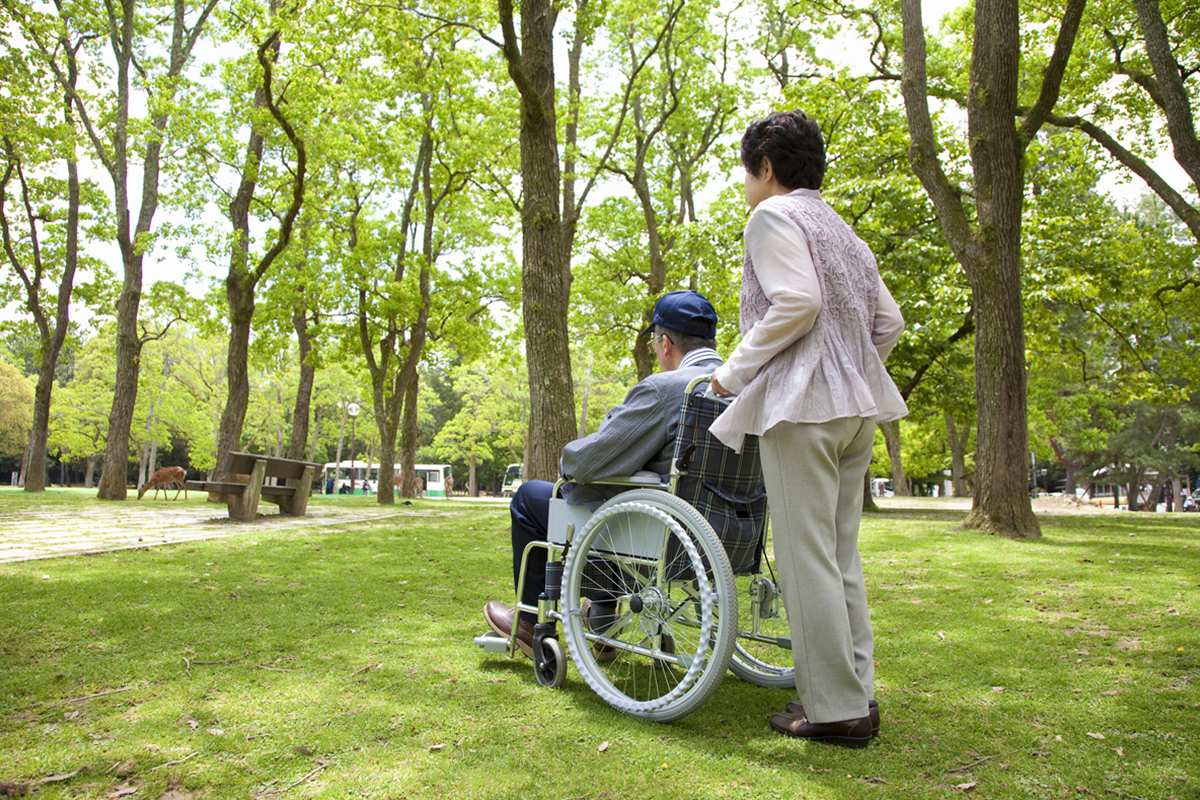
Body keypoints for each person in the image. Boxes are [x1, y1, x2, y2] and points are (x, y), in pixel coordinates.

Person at [708, 111, 907, 748]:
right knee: (839, 557)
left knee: (805, 560)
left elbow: (797, 301)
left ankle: (834, 711)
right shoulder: (843, 232)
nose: (746, 183)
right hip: (856, 411)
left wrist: (733, 374)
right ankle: (856, 694)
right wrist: (850, 368)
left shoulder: (772, 216)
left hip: (803, 409)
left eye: (747, 170)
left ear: (765, 167)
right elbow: (889, 322)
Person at [483, 290, 724, 658]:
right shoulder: (739, 387)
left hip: (661, 531)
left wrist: (574, 456)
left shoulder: (667, 390)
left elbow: (587, 462)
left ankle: (531, 620)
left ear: (664, 343)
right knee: (607, 501)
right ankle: (601, 614)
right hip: (724, 530)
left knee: (534, 496)